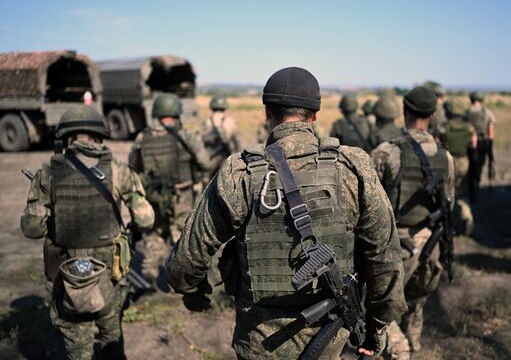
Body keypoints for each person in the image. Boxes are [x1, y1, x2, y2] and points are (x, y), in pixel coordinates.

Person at [165, 67, 407, 359]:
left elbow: (183, 264)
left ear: (268, 112)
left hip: (259, 342)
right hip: (332, 340)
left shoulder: (238, 174)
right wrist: (377, 324)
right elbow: (385, 259)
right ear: (315, 115)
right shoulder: (353, 168)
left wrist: (195, 293)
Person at [20, 106, 155, 360]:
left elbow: (31, 228)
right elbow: (146, 219)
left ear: (65, 137)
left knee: (77, 342)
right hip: (110, 271)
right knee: (111, 336)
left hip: (69, 271)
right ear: (100, 135)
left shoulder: (48, 173)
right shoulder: (119, 170)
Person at [371, 86, 455, 359]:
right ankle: (414, 344)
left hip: (398, 246)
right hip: (432, 247)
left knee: (383, 309)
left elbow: (367, 206)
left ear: (404, 111)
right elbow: (448, 203)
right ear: (431, 114)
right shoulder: (446, 156)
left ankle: (401, 352)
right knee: (417, 302)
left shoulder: (386, 152)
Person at [128, 93, 210, 288]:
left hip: (153, 195)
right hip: (181, 195)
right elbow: (204, 161)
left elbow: (132, 166)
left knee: (155, 231)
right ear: (176, 112)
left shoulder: (142, 137)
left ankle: (150, 266)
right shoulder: (185, 136)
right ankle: (177, 278)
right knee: (181, 235)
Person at [440, 98, 477, 236]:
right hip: (464, 161)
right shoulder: (469, 127)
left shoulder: (443, 127)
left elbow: (438, 143)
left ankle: (445, 222)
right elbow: (474, 144)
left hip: (447, 162)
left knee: (446, 192)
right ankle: (467, 217)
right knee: (463, 192)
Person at [465, 91, 495, 202]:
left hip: (469, 143)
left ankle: (470, 190)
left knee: (469, 167)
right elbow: (491, 132)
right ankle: (475, 190)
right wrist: (490, 148)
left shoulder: (466, 112)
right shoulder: (487, 112)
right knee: (478, 168)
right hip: (483, 142)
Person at [202, 94, 242, 177]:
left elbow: (199, 143)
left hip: (209, 160)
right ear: (225, 106)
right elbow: (237, 143)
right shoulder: (230, 122)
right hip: (225, 161)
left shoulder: (206, 122)